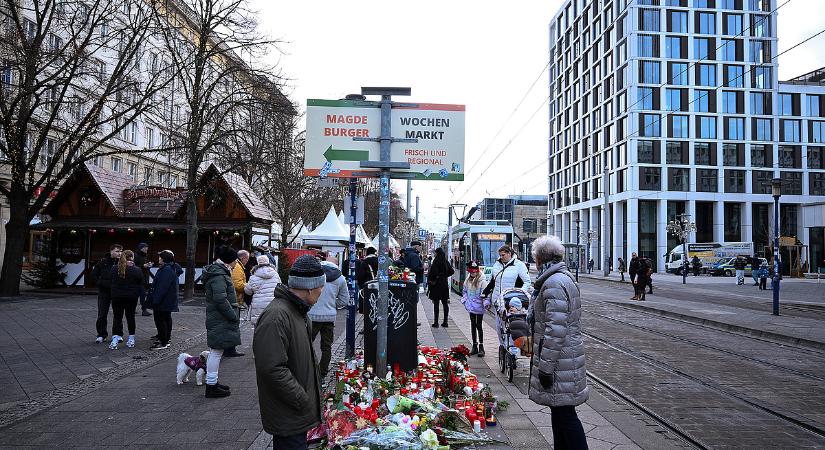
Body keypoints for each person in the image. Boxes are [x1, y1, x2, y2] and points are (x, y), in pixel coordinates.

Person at [253, 255, 324, 450]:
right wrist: (302, 398)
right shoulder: (277, 316)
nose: (322, 291)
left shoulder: (298, 312)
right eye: (321, 286)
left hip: (295, 412)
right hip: (289, 413)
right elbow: (271, 368)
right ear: (309, 287)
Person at [529, 235, 589, 450]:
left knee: (566, 415)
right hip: (565, 358)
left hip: (559, 361)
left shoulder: (553, 283)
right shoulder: (561, 278)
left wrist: (545, 367)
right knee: (560, 412)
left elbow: (555, 330)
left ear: (540, 258)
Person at [201, 246, 242, 398]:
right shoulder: (219, 275)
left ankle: (213, 382)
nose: (236, 263)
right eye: (235, 260)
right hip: (220, 318)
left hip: (218, 317)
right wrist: (232, 315)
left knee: (216, 351)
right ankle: (211, 385)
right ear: (230, 261)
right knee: (216, 351)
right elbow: (220, 298)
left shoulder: (219, 272)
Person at [482, 244, 531, 346]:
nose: (501, 257)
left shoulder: (519, 265)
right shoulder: (497, 264)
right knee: (499, 326)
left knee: (511, 326)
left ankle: (512, 348)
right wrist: (486, 293)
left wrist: (518, 295)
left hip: (511, 301)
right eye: (500, 255)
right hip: (497, 300)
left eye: (503, 255)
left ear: (509, 254)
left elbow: (527, 282)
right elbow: (493, 281)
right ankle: (502, 346)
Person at [308, 257, 349, 378]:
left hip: (312, 316)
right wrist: (332, 305)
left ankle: (308, 368)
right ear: (336, 265)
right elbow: (344, 300)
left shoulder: (314, 275)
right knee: (326, 347)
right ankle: (322, 372)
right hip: (329, 318)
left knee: (307, 344)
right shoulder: (340, 278)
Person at [108, 250, 144, 349]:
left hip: (117, 296)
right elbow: (141, 283)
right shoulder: (137, 270)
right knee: (130, 317)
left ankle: (115, 340)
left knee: (117, 317)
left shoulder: (114, 268)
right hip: (131, 297)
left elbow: (111, 280)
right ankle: (131, 339)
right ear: (132, 257)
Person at [149, 250, 181, 350]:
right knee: (166, 319)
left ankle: (163, 341)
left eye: (160, 257)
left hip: (164, 300)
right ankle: (165, 339)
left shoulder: (166, 270)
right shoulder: (170, 268)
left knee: (161, 320)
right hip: (167, 300)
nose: (159, 259)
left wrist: (156, 300)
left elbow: (162, 287)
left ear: (164, 259)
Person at [92, 244, 123, 343]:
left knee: (118, 314)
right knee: (102, 314)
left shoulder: (122, 263)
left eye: (121, 251)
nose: (119, 253)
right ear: (111, 251)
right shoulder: (102, 262)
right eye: (117, 251)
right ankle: (101, 334)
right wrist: (100, 283)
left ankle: (118, 334)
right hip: (104, 291)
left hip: (117, 292)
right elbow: (94, 275)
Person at [461, 261, 489, 357]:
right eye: (471, 272)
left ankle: (481, 346)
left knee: (479, 325)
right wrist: (465, 301)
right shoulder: (467, 280)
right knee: (473, 325)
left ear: (477, 271)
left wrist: (486, 303)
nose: (473, 274)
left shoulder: (483, 281)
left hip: (479, 307)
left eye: (474, 272)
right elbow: (464, 291)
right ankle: (474, 346)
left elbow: (486, 294)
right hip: (471, 307)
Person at [244, 255, 282, 324]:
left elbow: (248, 292)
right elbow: (280, 288)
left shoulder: (253, 276)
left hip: (258, 305)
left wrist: (246, 285)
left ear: (258, 263)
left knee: (258, 327)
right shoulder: (275, 274)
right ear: (268, 262)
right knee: (271, 326)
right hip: (272, 304)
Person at [226, 249, 249, 357]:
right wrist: (248, 286)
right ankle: (230, 349)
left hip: (234, 300)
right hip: (235, 300)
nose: (247, 261)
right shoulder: (238, 267)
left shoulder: (237, 266)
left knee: (232, 325)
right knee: (233, 325)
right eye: (247, 259)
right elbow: (237, 284)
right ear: (243, 258)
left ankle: (229, 348)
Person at [427, 247, 454, 327]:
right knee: (445, 303)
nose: (434, 254)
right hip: (444, 284)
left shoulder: (435, 262)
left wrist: (433, 279)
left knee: (436, 304)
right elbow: (451, 271)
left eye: (435, 252)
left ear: (437, 253)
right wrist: (445, 276)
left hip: (437, 285)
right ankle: (445, 322)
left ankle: (436, 322)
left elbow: (432, 274)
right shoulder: (445, 261)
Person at [134, 243, 152, 317]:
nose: (146, 249)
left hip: (144, 278)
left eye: (147, 248)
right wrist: (143, 266)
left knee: (138, 294)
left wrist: (148, 266)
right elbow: (133, 265)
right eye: (144, 248)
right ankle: (144, 310)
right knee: (141, 294)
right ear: (140, 248)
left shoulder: (144, 256)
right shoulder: (136, 255)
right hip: (138, 278)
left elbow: (144, 267)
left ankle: (134, 309)